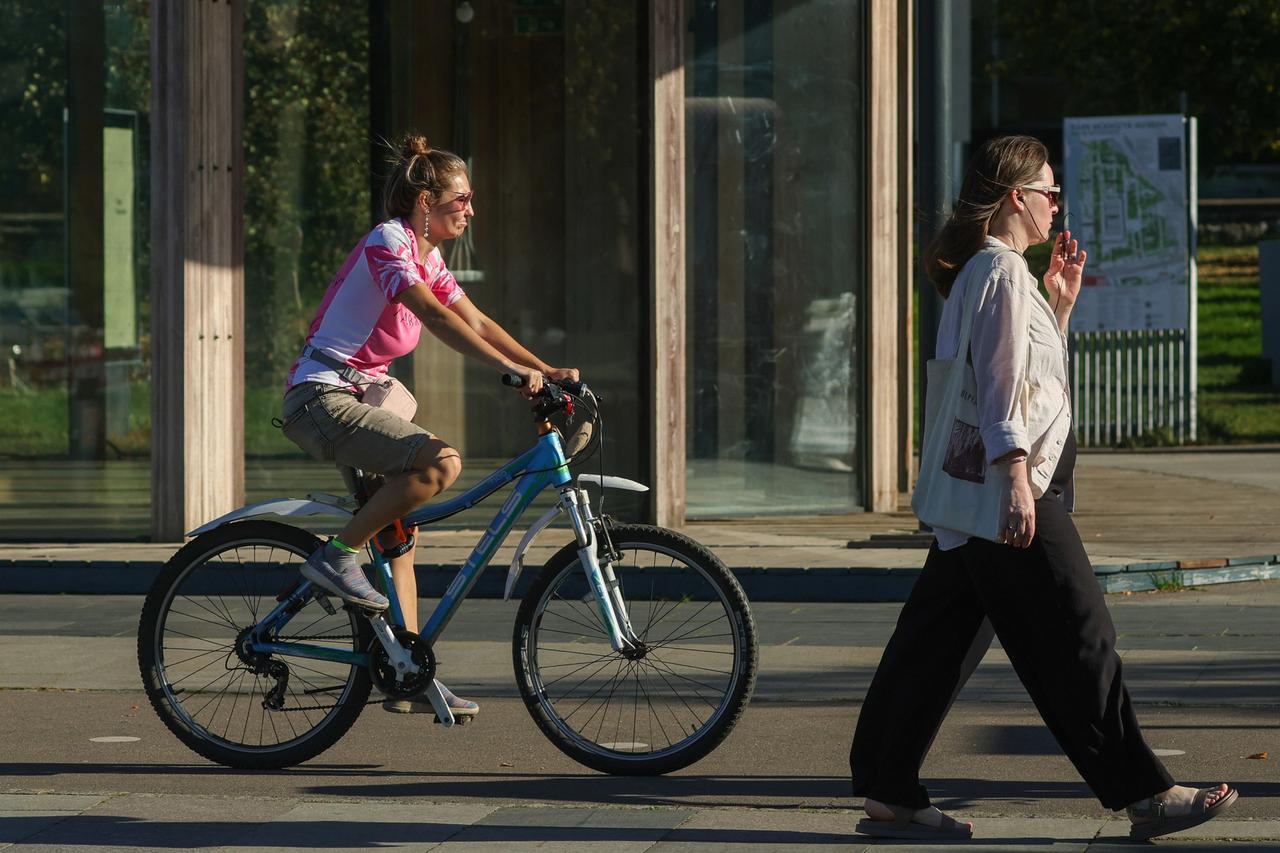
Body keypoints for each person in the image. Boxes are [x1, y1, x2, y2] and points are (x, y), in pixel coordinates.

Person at [848, 135, 1237, 841]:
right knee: (1080, 631)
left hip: (985, 492)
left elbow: (1019, 373)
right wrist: (1016, 479)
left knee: (937, 639)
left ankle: (889, 786)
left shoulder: (994, 273)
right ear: (1014, 198)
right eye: (1049, 192)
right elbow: (999, 390)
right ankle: (1145, 792)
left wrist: (1059, 307)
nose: (1058, 205)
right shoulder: (997, 272)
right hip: (1008, 490)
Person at [279, 135, 579, 717]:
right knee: (442, 463)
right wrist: (512, 373)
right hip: (320, 397)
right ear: (424, 199)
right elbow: (434, 316)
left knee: (398, 537)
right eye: (461, 199)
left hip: (361, 396)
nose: (471, 209)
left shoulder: (428, 255)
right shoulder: (388, 242)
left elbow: (477, 318)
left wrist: (545, 370)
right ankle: (335, 557)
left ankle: (405, 671)